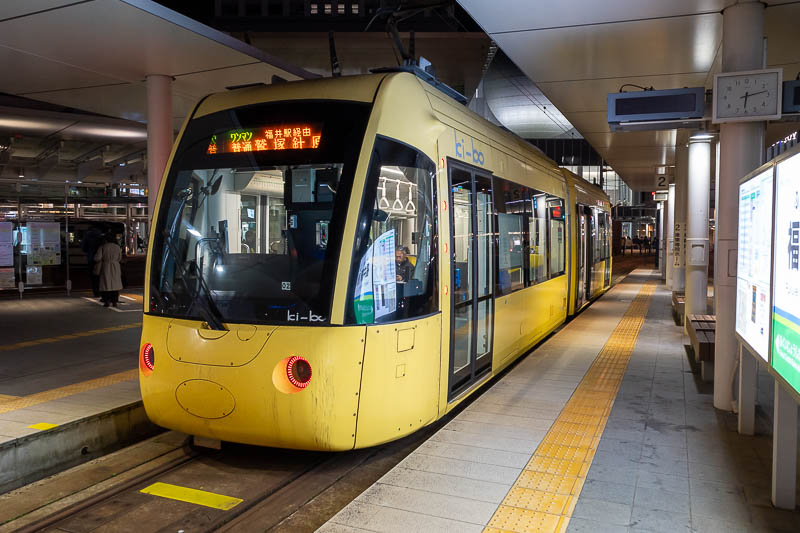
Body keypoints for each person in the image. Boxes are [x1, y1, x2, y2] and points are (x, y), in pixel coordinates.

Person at [94, 232, 123, 307]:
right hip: (115, 266)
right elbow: (120, 258)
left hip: (106, 266)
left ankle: (107, 301)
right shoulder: (117, 247)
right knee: (115, 284)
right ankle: (114, 301)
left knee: (106, 284)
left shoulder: (103, 247)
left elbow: (97, 258)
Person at [81, 224, 104, 297]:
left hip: (91, 258)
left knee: (93, 276)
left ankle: (96, 292)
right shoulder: (101, 235)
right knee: (102, 276)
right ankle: (103, 291)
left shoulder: (87, 235)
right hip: (102, 259)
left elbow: (84, 248)